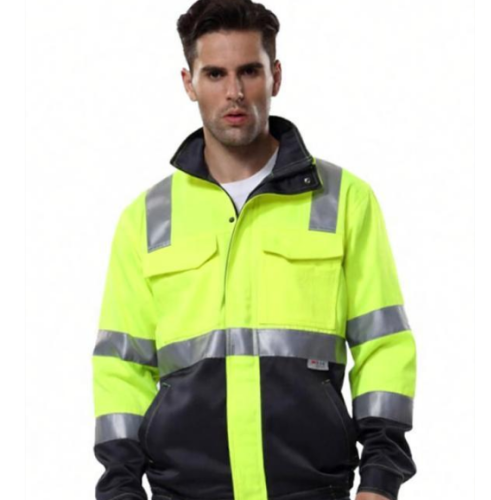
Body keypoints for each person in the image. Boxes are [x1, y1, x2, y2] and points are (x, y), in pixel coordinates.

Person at [91, 1, 418, 500]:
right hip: (185, 491)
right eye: (215, 74)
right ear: (189, 83)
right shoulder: (148, 217)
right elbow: (121, 366)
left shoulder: (343, 199)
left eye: (249, 71)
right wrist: (120, 488)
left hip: (314, 488)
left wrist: (380, 480)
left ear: (275, 76)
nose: (234, 92)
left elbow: (383, 346)